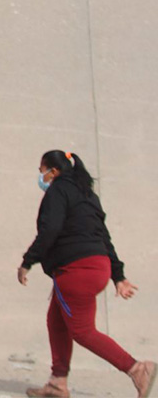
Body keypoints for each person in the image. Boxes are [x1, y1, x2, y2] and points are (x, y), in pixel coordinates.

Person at [18, 150, 155, 398]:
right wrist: (118, 275)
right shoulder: (88, 195)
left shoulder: (58, 191)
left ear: (54, 171)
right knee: (56, 321)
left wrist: (28, 261)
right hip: (96, 266)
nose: (41, 176)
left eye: (42, 171)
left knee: (82, 331)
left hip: (76, 270)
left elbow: (51, 229)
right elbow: (104, 237)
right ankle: (57, 384)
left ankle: (137, 368)